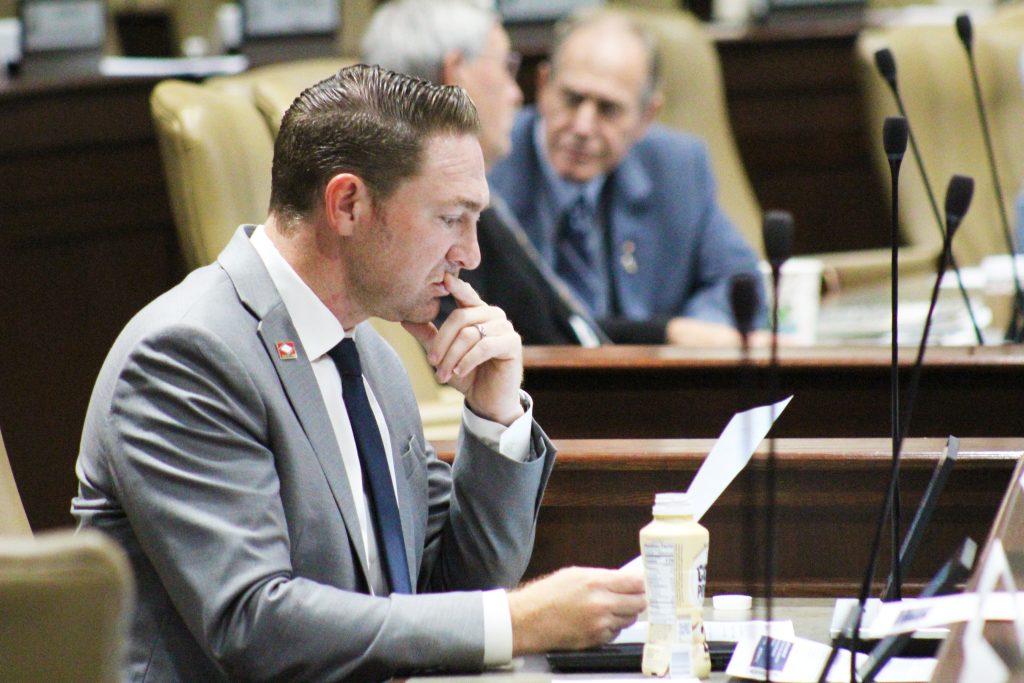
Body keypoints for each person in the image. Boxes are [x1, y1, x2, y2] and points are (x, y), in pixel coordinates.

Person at [72, 65, 645, 681]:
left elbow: (453, 589)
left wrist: (493, 417)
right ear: (348, 204)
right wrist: (515, 622)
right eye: (451, 218)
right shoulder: (188, 355)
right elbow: (254, 623)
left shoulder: (369, 357)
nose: (471, 255)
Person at [489, 9, 766, 346]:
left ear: (647, 115)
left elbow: (739, 281)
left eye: (608, 109)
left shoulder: (677, 168)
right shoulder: (488, 166)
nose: (582, 127)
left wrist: (691, 339)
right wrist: (665, 334)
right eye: (572, 99)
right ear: (544, 85)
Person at [362, 0, 608, 346]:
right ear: (456, 74)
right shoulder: (426, 226)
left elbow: (567, 325)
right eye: (507, 67)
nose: (516, 94)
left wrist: (665, 331)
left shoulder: (464, 202)